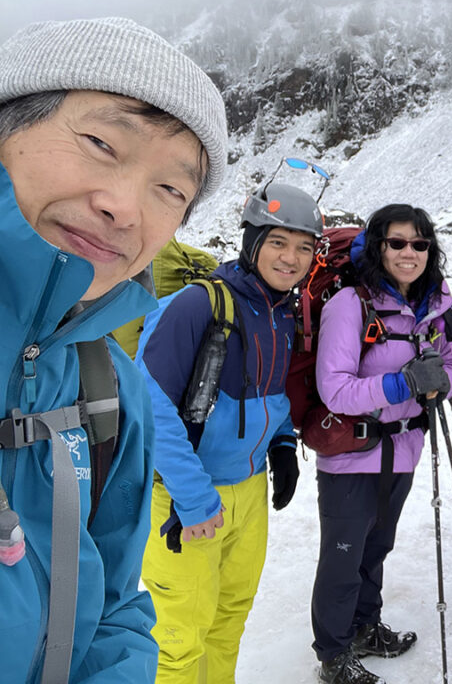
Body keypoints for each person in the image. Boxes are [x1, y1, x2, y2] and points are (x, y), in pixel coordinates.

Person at [0, 17, 227, 683]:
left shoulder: (108, 385)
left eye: (171, 191)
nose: (126, 208)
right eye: (101, 143)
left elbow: (114, 607)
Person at [137, 181, 323, 683]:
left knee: (227, 623)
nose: (291, 258)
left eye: (304, 247)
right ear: (252, 241)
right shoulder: (198, 305)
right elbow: (150, 405)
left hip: (247, 493)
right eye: (279, 242)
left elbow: (272, 391)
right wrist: (193, 498)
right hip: (182, 498)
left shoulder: (281, 311)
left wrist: (283, 443)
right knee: (177, 642)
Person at [312, 204, 452, 684]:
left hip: (403, 450)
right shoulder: (350, 305)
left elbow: (451, 362)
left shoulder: (433, 307)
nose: (409, 252)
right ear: (378, 247)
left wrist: (441, 382)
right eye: (397, 242)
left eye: (419, 244)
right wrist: (403, 385)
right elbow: (333, 388)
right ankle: (334, 656)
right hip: (352, 456)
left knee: (376, 548)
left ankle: (363, 628)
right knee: (343, 558)